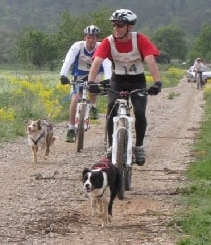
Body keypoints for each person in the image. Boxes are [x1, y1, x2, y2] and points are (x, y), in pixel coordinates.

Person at [87, 9, 162, 166]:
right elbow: (97, 62)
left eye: (120, 25)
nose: (116, 28)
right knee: (110, 110)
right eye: (114, 25)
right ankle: (110, 146)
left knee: (140, 112)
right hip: (118, 80)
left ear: (129, 27)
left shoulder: (139, 39)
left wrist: (157, 82)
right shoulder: (109, 41)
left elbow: (150, 61)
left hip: (137, 81)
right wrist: (91, 82)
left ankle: (139, 146)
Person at [60, 25, 112, 143]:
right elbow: (68, 60)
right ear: (85, 37)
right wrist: (63, 75)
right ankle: (71, 128)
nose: (91, 41)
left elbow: (107, 63)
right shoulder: (78, 46)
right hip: (79, 73)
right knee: (74, 99)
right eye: (88, 38)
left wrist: (108, 78)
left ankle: (93, 107)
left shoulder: (101, 47)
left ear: (97, 39)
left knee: (93, 86)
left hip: (96, 73)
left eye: (93, 38)